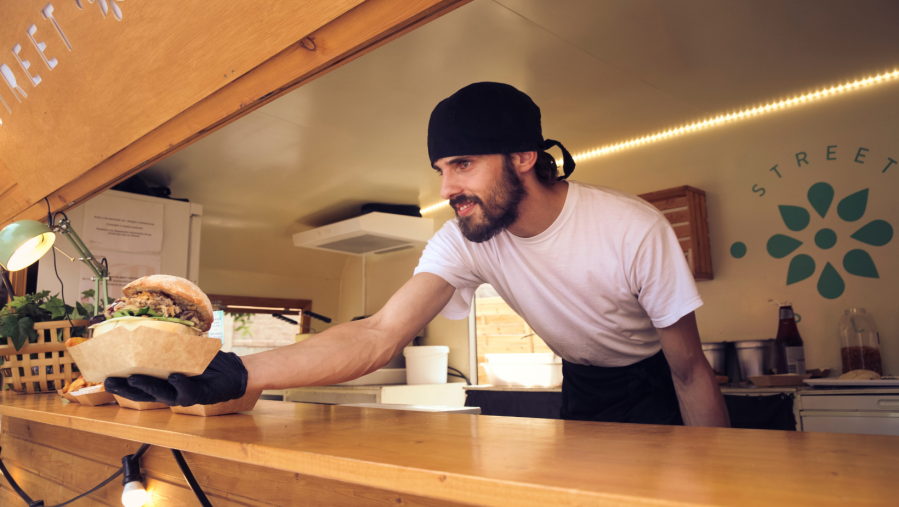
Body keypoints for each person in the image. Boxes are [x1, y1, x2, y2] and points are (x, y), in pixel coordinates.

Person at [107, 82, 730, 427]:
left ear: (523, 156)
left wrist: (718, 478)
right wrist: (241, 372)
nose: (445, 189)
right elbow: (379, 334)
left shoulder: (632, 229)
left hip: (656, 387)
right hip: (583, 388)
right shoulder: (465, 238)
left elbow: (690, 371)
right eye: (440, 168)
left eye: (462, 164)